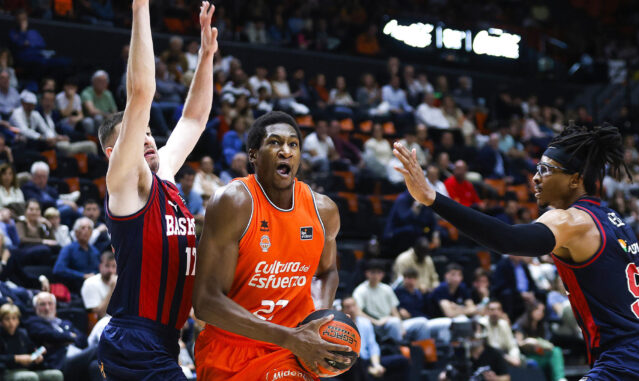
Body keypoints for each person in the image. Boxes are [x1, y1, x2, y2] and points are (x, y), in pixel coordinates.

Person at [392, 123, 639, 379]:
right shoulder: (617, 222)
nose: (536, 178)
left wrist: (432, 199)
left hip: (627, 361)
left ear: (575, 179)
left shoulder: (571, 219)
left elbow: (508, 239)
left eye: (546, 169)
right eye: (537, 168)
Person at [96, 2, 218, 380]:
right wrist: (140, 8)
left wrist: (206, 55)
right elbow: (141, 92)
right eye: (138, 133)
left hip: (165, 338)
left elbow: (194, 119)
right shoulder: (124, 186)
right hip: (134, 338)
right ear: (114, 154)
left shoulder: (162, 174)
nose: (148, 137)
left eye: (150, 132)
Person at [192, 111, 353, 379]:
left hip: (291, 352)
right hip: (232, 349)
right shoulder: (234, 202)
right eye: (275, 142)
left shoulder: (323, 211)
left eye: (293, 144)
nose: (286, 151)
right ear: (253, 155)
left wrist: (318, 322)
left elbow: (327, 272)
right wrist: (290, 337)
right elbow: (205, 302)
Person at [25, 292, 101, 381]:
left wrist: (63, 340)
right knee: (97, 347)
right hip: (60, 362)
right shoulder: (33, 323)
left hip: (77, 355)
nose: (47, 308)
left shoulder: (64, 323)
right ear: (35, 308)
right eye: (42, 304)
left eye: (50, 303)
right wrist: (71, 336)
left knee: (95, 365)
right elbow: (51, 335)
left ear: (55, 305)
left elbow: (83, 339)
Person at [340, 297, 410, 381]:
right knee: (356, 364)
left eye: (353, 305)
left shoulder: (365, 323)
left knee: (402, 361)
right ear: (343, 310)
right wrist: (369, 369)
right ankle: (370, 371)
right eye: (348, 307)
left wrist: (376, 365)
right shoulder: (341, 326)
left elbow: (372, 345)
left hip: (369, 359)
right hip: (354, 363)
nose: (351, 309)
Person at [0, 303, 64, 381]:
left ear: (18, 320)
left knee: (56, 374)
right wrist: (16, 358)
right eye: (7, 319)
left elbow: (31, 351)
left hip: (27, 369)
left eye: (14, 318)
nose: (11, 323)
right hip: (6, 371)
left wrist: (37, 357)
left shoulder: (22, 334)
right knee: (30, 377)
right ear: (1, 321)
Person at [438, 320, 510, 381]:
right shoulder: (459, 353)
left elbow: (506, 377)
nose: (472, 337)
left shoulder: (494, 353)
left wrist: (496, 379)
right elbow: (444, 375)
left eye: (474, 331)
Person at [52, 217, 99, 292]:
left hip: (94, 287)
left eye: (89, 228)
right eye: (83, 228)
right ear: (76, 232)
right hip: (74, 288)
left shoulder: (95, 251)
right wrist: (83, 276)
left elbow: (98, 270)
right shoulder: (68, 249)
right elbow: (58, 270)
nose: (86, 230)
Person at [81, 251, 116, 321]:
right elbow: (99, 315)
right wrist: (112, 289)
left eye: (114, 266)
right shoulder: (90, 283)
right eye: (107, 266)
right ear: (100, 266)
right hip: (102, 324)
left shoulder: (120, 281)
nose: (110, 270)